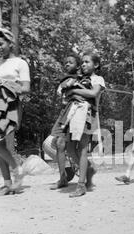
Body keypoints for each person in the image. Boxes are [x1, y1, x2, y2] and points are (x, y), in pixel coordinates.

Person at [64, 50, 105, 197]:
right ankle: (88, 168)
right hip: (73, 115)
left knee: (82, 148)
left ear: (96, 64)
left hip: (88, 115)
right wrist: (73, 92)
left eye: (87, 62)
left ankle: (81, 185)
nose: (83, 64)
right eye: (82, 62)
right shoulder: (80, 79)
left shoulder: (98, 79)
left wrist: (74, 91)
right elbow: (67, 94)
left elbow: (93, 93)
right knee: (69, 148)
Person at [0, 28, 30, 195]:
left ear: (10, 44)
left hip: (10, 106)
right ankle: (7, 183)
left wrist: (3, 83)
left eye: (1, 44)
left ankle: (17, 171)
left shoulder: (20, 63)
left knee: (1, 144)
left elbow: (25, 88)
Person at [49, 53, 81, 190]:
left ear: (78, 66)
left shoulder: (77, 80)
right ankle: (63, 177)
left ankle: (85, 173)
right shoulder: (64, 79)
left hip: (73, 113)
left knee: (68, 146)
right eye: (66, 62)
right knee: (58, 144)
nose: (67, 64)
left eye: (71, 62)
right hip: (63, 114)